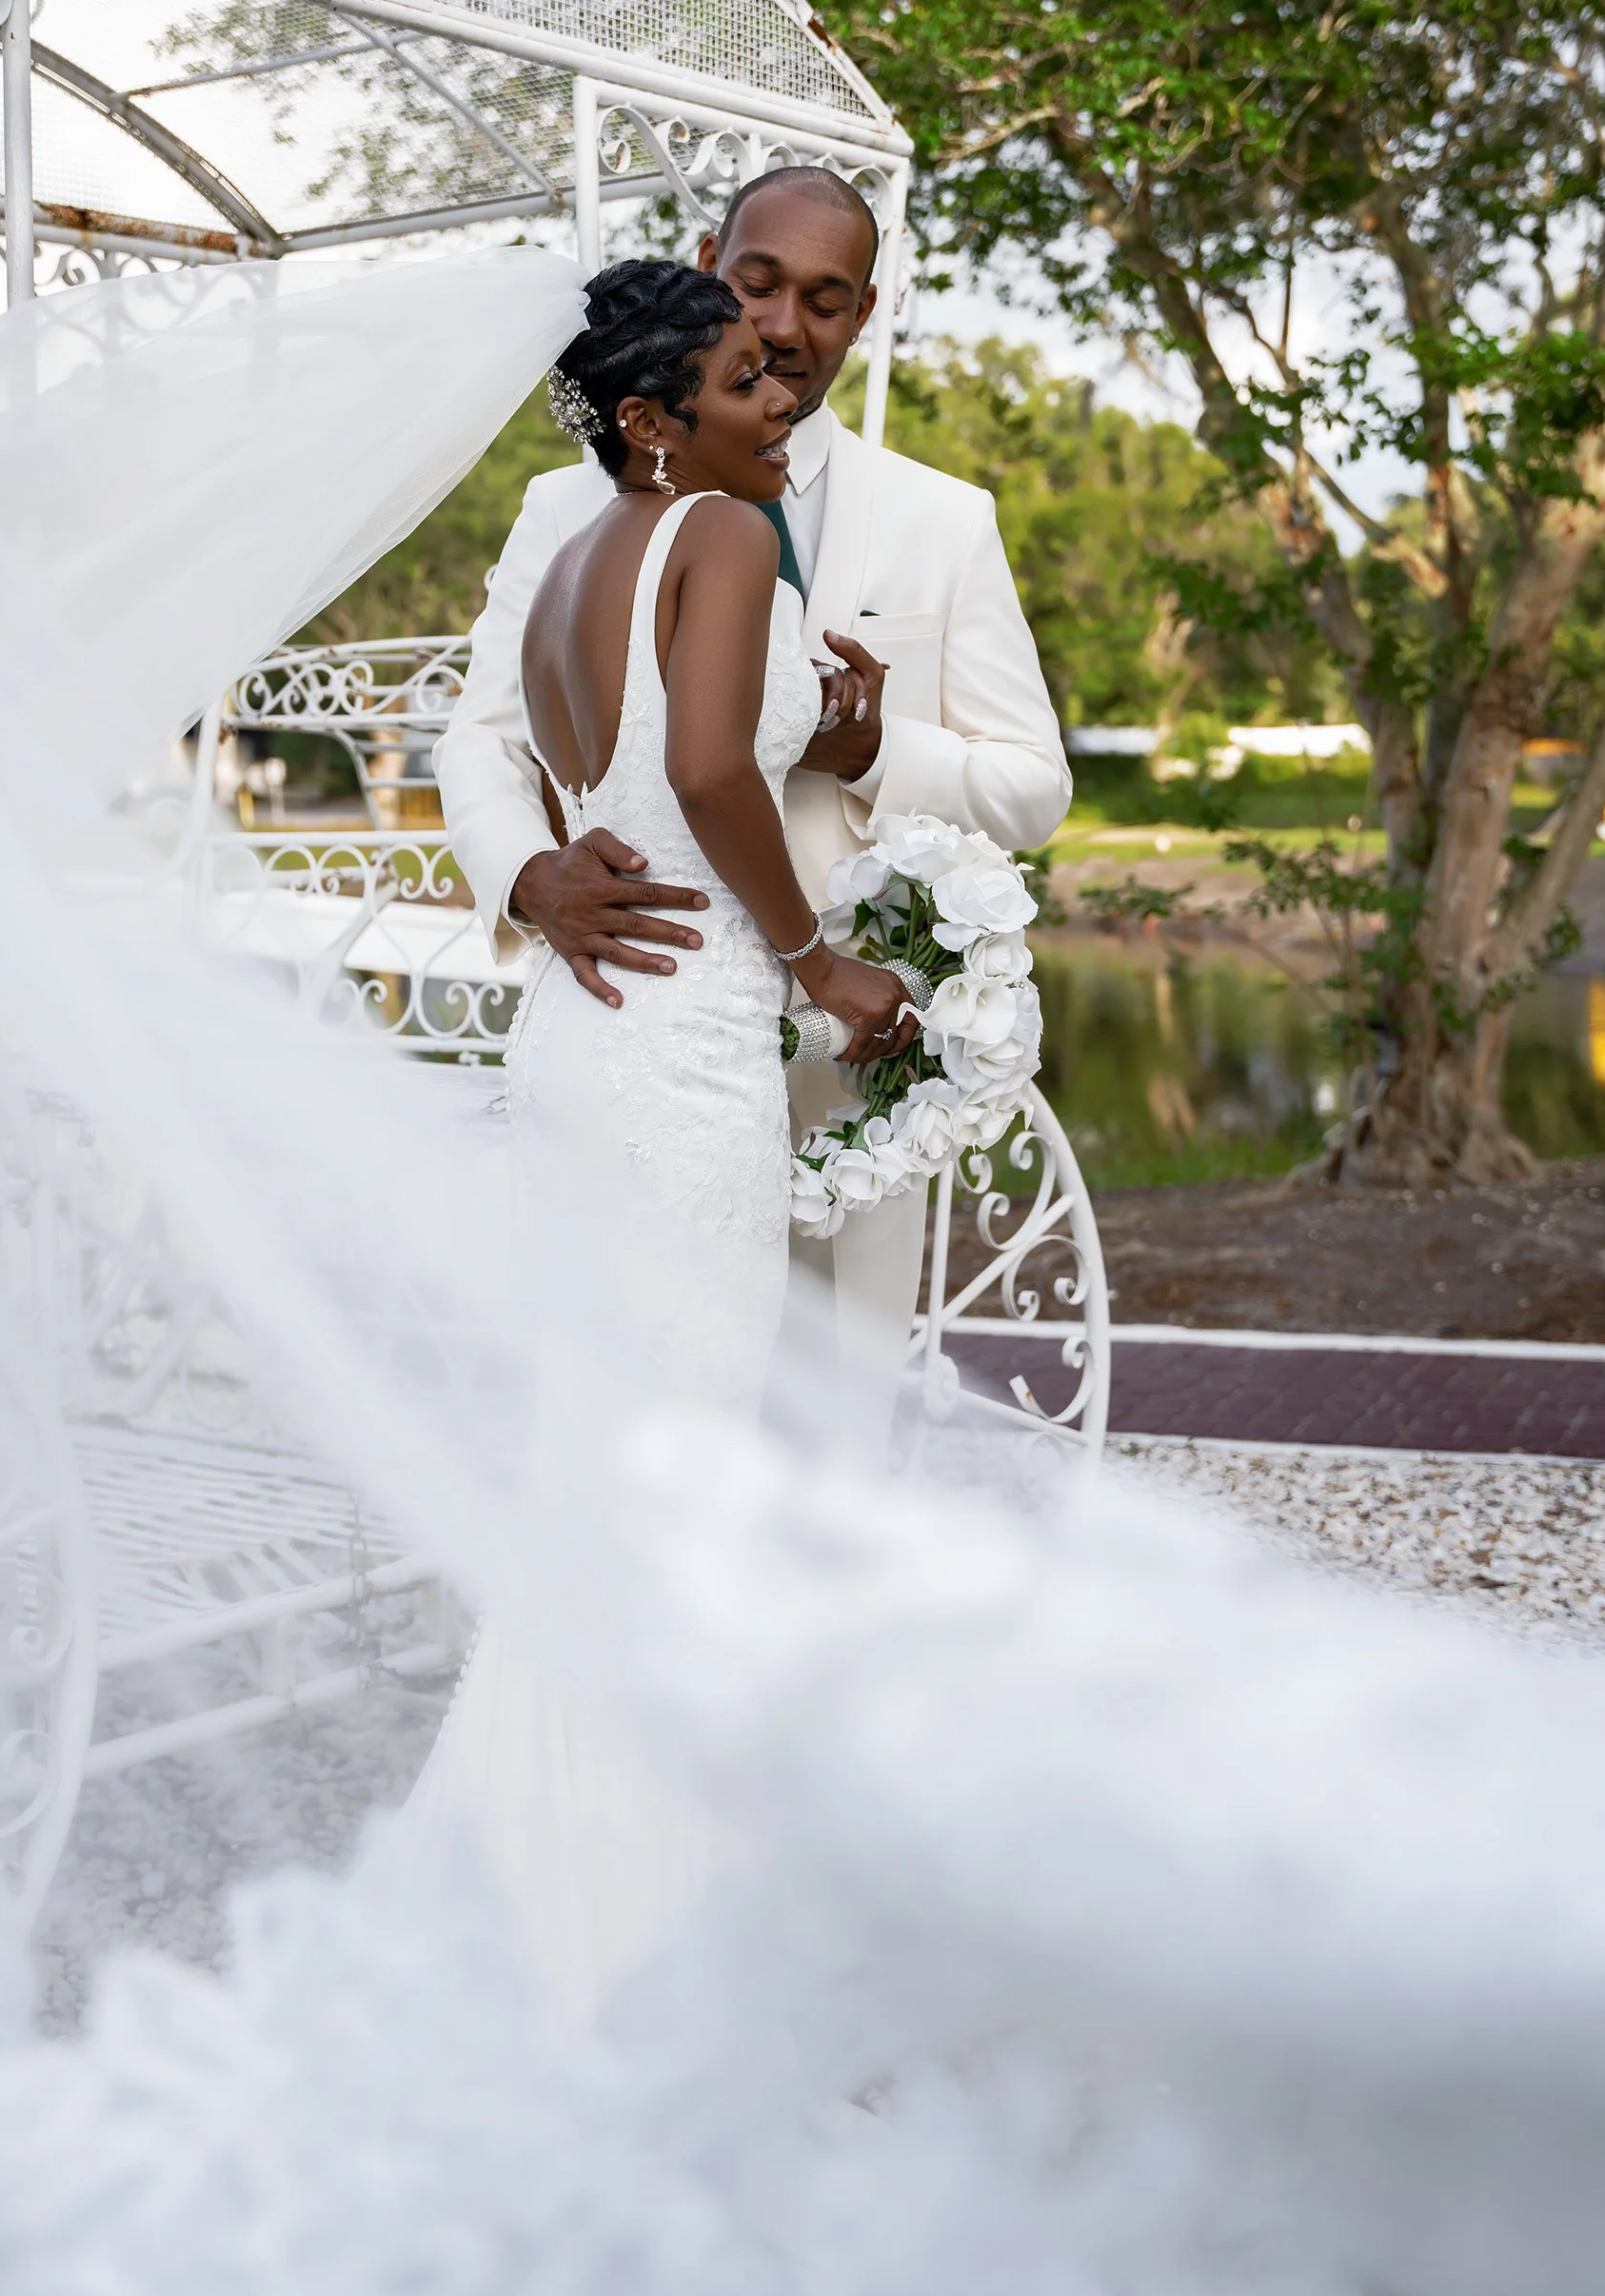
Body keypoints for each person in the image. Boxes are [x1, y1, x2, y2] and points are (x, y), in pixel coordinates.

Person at [406, 259, 914, 2018]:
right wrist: (821, 961)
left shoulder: (573, 566)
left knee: (594, 1474)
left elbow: (614, 775)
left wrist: (832, 719)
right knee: (674, 1483)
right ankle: (637, 1933)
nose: (785, 400)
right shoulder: (717, 539)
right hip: (685, 1050)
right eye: (747, 378)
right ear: (654, 420)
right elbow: (705, 775)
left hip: (579, 1040)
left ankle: (549, 1884)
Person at [437, 168, 1071, 1414]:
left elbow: (1033, 789)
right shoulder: (567, 501)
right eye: (759, 284)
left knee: (825, 1418)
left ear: (867, 314)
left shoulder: (946, 523)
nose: (787, 328)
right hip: (646, 1003)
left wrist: (879, 754)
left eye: (826, 302)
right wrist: (531, 878)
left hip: (852, 1070)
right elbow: (483, 740)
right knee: (645, 1389)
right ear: (707, 260)